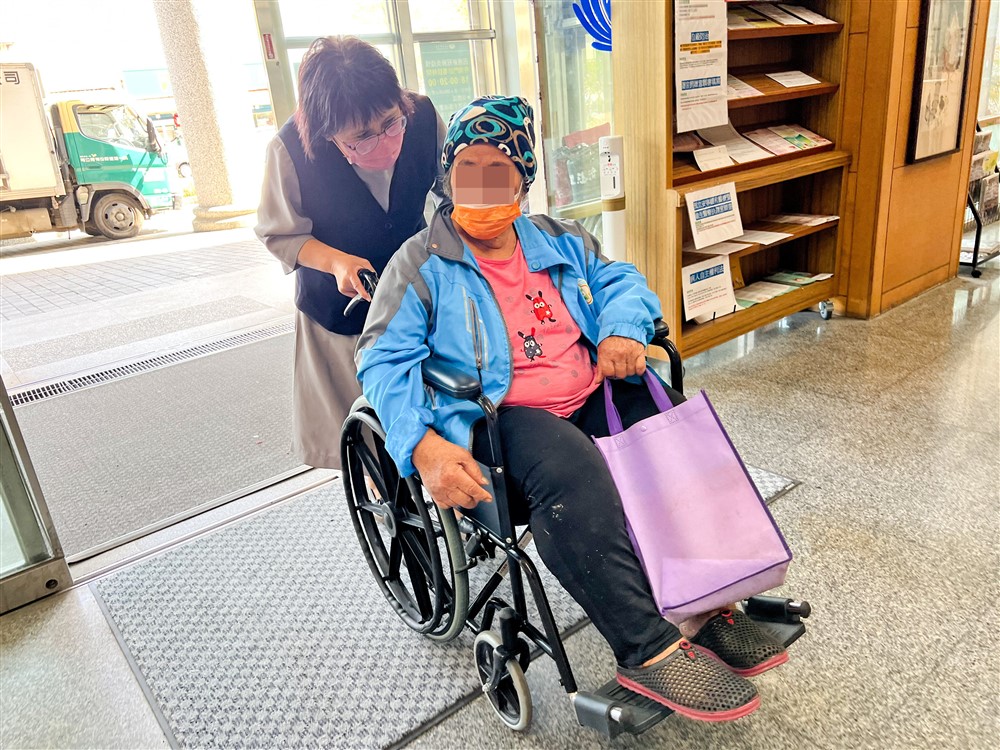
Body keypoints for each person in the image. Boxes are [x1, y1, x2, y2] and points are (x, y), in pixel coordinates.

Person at [356, 96, 789, 722]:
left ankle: (704, 599)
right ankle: (646, 647)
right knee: (570, 464)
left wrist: (621, 330)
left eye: (499, 171)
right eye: (467, 169)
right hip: (497, 421)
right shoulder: (420, 264)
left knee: (661, 423)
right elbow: (380, 362)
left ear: (523, 180)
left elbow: (620, 281)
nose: (482, 188)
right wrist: (422, 448)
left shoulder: (558, 238)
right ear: (447, 176)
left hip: (586, 393)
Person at [255, 36, 446, 469]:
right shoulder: (290, 150)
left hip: (416, 302)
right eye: (361, 137)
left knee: (430, 429)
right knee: (368, 443)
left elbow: (452, 190)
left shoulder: (422, 118)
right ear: (327, 132)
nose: (385, 142)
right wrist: (336, 261)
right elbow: (280, 233)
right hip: (340, 319)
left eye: (391, 123)